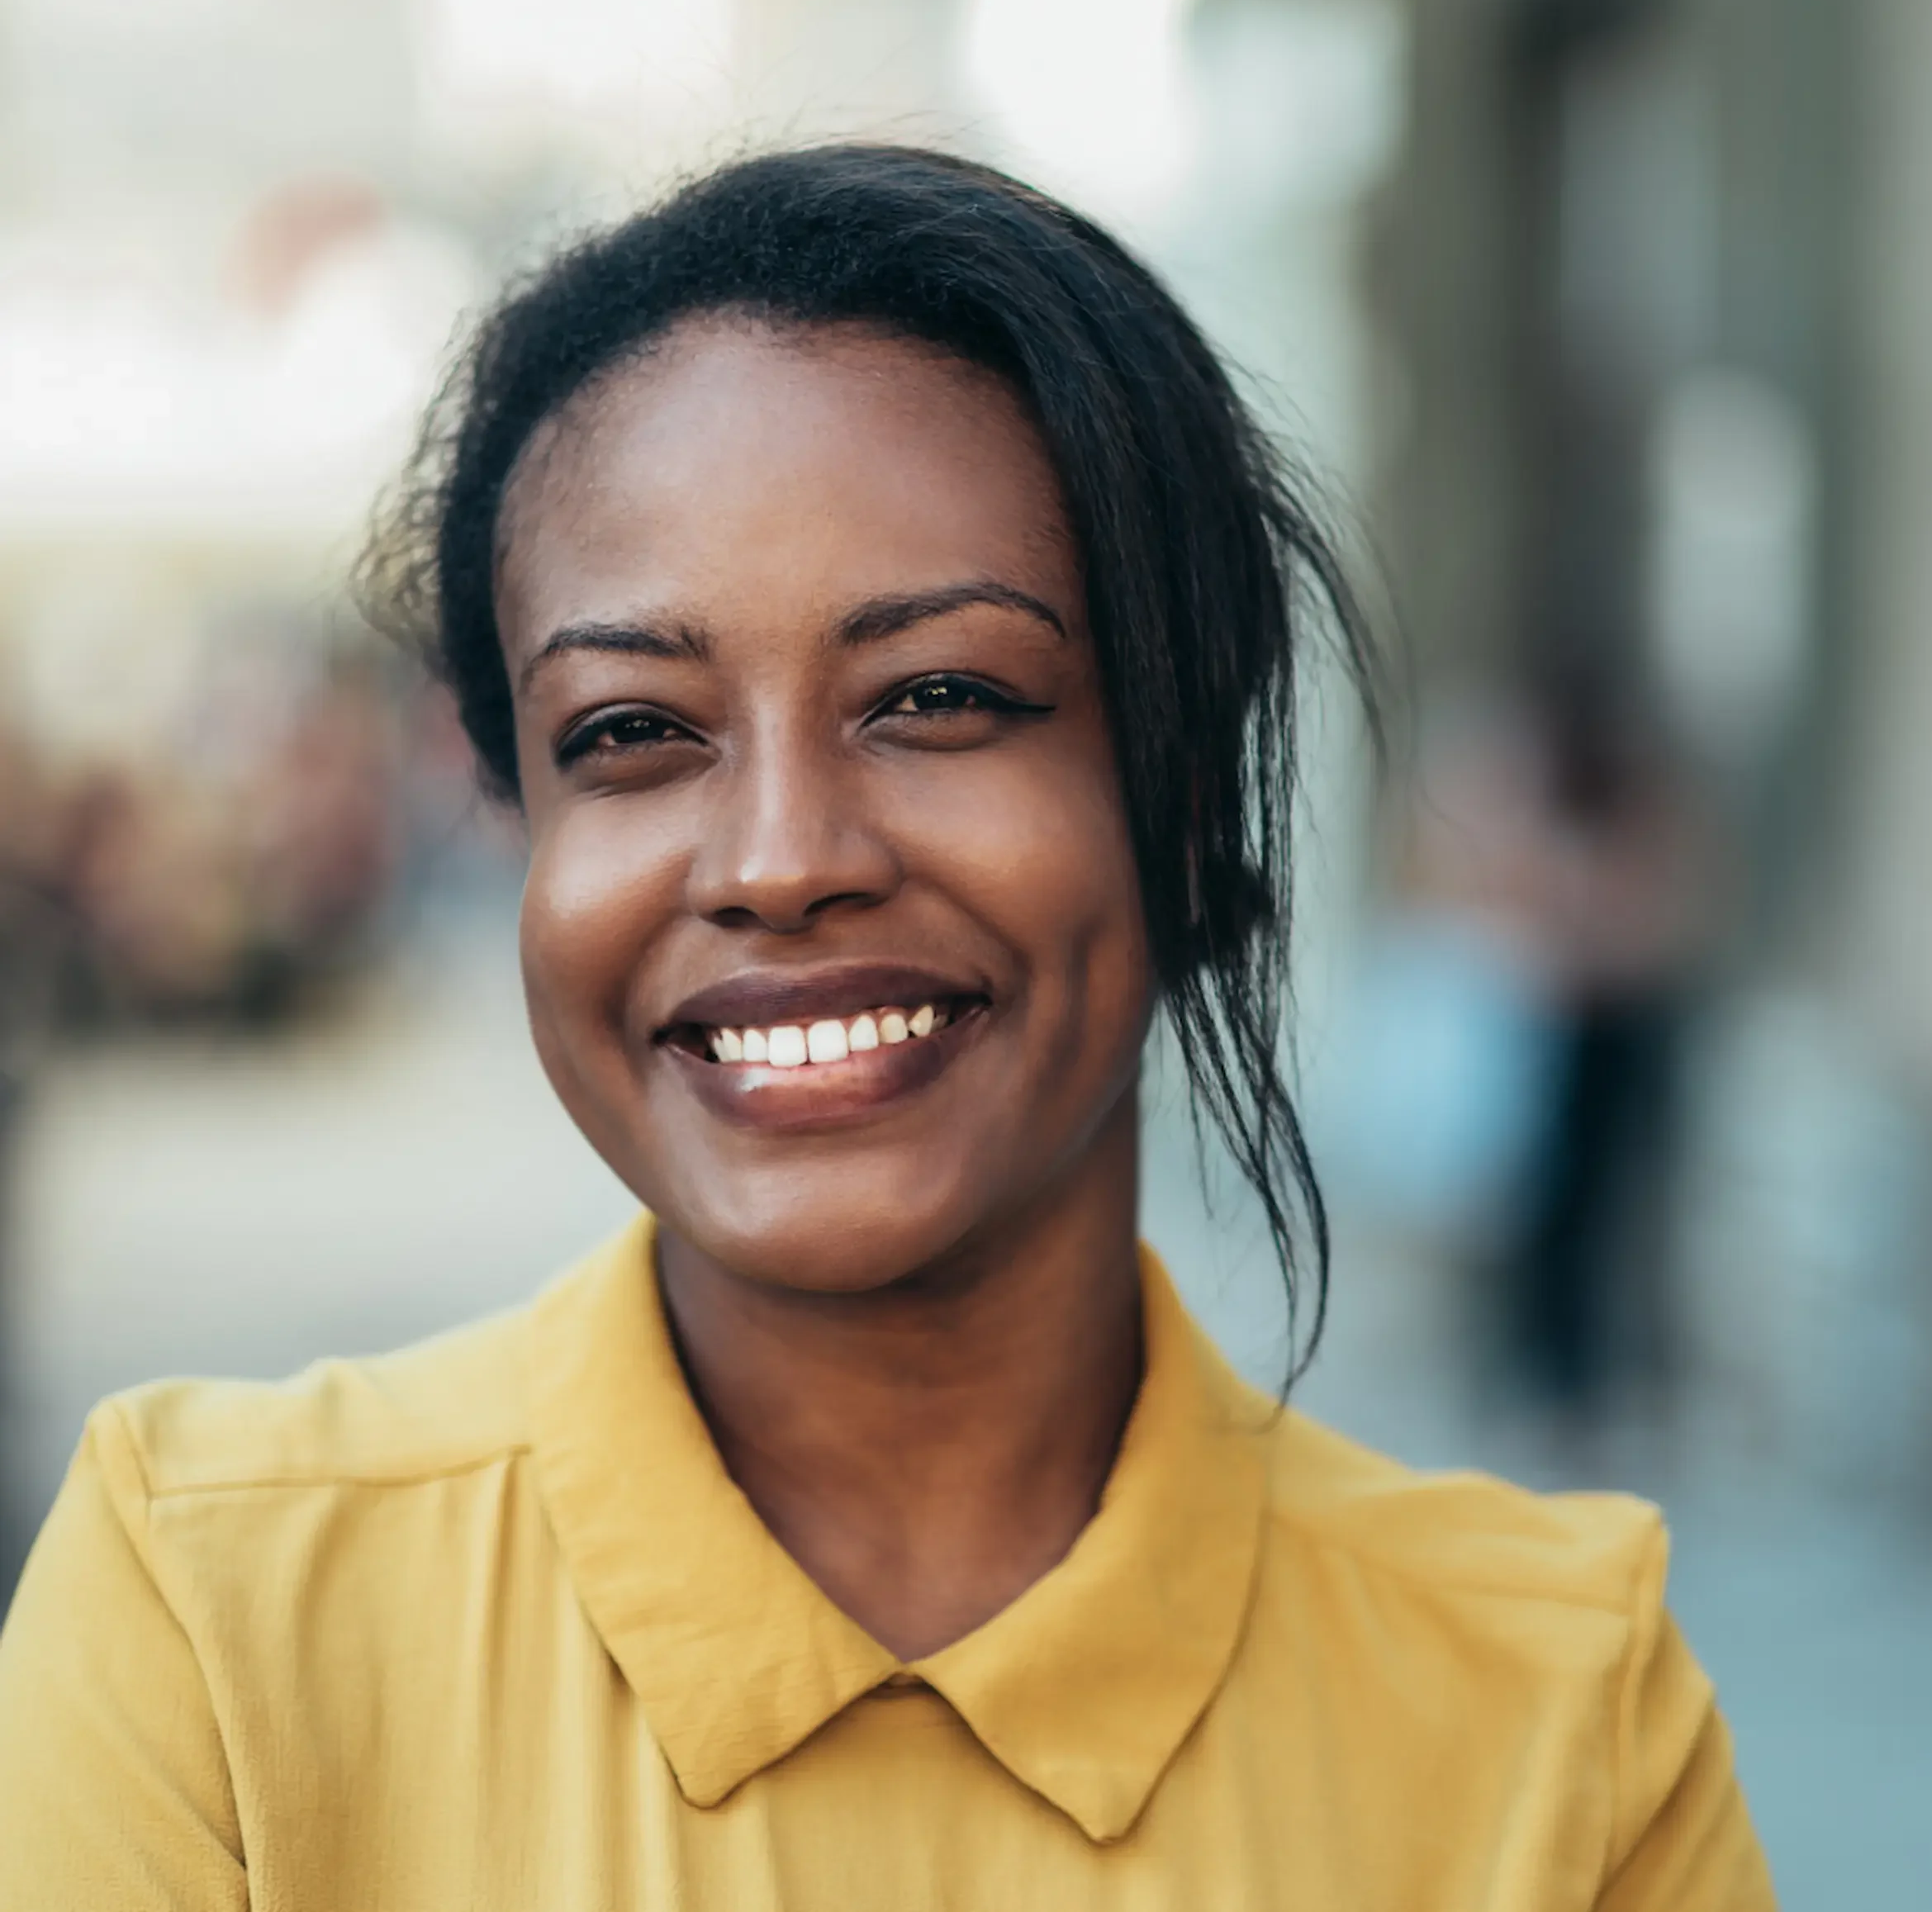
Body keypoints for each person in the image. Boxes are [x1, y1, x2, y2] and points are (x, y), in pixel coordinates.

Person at [0, 145, 1773, 1907]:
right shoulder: (212, 1612)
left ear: (1191, 811)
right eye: (629, 730)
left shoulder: (1558, 1715)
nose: (778, 860)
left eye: (940, 696)